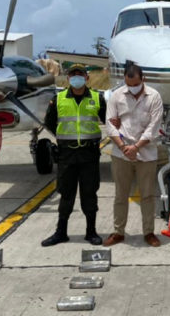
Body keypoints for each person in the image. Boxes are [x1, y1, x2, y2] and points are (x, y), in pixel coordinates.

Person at [41, 64, 106, 247]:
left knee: (89, 193)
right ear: (68, 78)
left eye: (80, 74)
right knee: (66, 193)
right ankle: (61, 232)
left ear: (87, 78)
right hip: (67, 154)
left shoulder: (97, 98)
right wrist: (64, 138)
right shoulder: (58, 98)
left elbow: (109, 119)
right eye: (73, 74)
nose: (76, 77)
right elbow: (50, 122)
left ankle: (91, 232)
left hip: (89, 154)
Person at [103, 63, 164, 247]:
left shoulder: (154, 97)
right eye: (128, 84)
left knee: (147, 195)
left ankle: (149, 232)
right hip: (121, 154)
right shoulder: (116, 95)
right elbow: (110, 124)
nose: (132, 88)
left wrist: (136, 147)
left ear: (143, 79)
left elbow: (153, 127)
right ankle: (118, 232)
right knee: (120, 195)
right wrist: (124, 147)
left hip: (146, 153)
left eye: (135, 84)